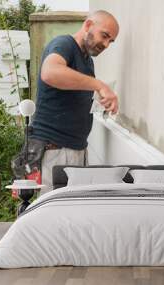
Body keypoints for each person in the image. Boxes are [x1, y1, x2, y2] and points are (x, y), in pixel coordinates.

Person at [25, 10, 120, 193]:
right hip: (56, 151)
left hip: (75, 150)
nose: (106, 44)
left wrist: (100, 101)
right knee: (54, 216)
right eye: (105, 36)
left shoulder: (87, 61)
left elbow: (74, 92)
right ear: (88, 25)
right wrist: (100, 85)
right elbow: (50, 72)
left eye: (111, 41)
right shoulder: (63, 44)